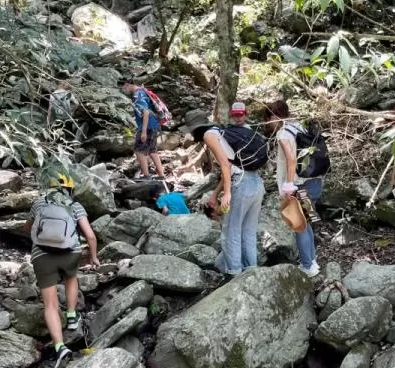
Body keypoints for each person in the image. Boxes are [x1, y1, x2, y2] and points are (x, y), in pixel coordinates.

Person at [27, 173, 100, 368]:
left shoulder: (39, 204)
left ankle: (60, 346)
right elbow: (90, 236)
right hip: (70, 253)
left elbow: (29, 229)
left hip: (42, 256)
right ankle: (70, 315)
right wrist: (93, 257)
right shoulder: (75, 206)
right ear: (70, 189)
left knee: (50, 305)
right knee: (71, 278)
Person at [186, 110, 267, 276]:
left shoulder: (209, 135)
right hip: (256, 183)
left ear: (195, 129)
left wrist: (227, 193)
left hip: (240, 185)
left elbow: (225, 165)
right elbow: (230, 166)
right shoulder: (224, 132)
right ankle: (252, 272)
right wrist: (215, 194)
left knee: (231, 231)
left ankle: (234, 274)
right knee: (248, 231)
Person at [266, 99, 322, 278]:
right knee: (307, 223)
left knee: (299, 226)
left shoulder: (283, 133)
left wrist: (289, 185)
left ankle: (308, 265)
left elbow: (291, 159)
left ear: (274, 116)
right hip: (314, 181)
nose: (268, 123)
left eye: (268, 119)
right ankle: (312, 260)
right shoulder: (299, 127)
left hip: (298, 185)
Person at [124, 81, 166, 180]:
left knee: (139, 151)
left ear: (127, 85)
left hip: (147, 126)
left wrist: (143, 131)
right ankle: (161, 175)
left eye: (123, 88)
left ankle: (146, 176)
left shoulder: (138, 94)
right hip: (154, 125)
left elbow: (145, 112)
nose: (124, 90)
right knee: (152, 151)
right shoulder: (143, 91)